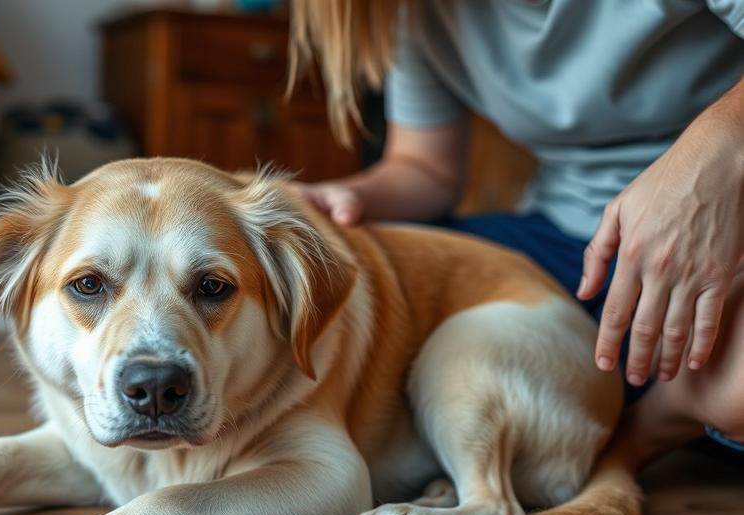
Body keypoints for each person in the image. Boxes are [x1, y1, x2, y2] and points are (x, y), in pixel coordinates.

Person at [288, 0, 744, 470]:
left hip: (729, 249)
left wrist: (715, 152)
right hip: (559, 241)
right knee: (355, 278)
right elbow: (424, 167)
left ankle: (640, 436)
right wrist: (347, 197)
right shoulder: (411, 11)